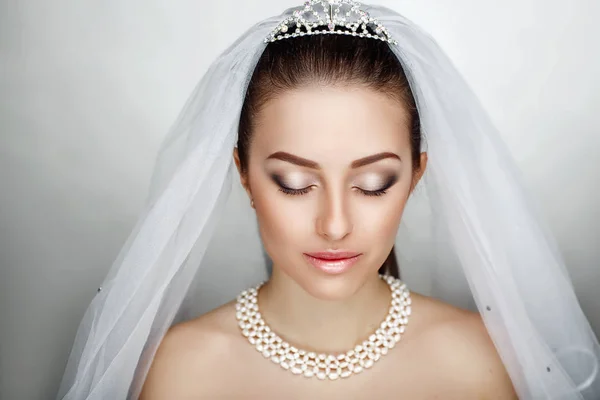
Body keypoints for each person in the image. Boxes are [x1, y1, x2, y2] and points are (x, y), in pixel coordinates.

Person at [57, 1, 600, 399]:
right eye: (294, 184)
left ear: (416, 176)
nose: (335, 224)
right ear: (243, 175)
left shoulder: (488, 361)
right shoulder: (177, 371)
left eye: (373, 184)